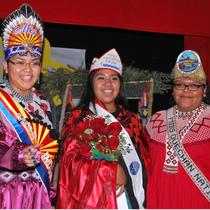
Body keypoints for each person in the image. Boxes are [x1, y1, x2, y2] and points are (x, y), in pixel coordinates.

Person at [56, 48, 147, 209]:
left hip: (132, 199)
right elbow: (69, 164)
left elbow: (145, 163)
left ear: (120, 83)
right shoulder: (78, 118)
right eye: (101, 78)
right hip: (94, 201)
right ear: (91, 82)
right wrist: (109, 171)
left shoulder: (132, 120)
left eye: (114, 78)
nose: (108, 84)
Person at [0, 4, 58, 208]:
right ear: (6, 66)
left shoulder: (44, 104)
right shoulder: (1, 101)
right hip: (7, 197)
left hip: (40, 196)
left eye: (34, 62)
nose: (27, 69)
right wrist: (18, 154)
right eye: (19, 61)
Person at [144, 50, 210, 208]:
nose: (186, 90)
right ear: (173, 90)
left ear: (204, 90)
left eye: (194, 85)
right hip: (160, 202)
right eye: (180, 84)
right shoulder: (155, 121)